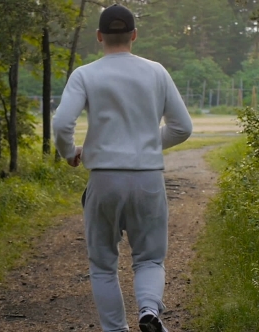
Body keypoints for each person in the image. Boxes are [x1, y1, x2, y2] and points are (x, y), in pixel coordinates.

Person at [52, 4, 192, 332]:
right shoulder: (157, 71)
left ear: (99, 36)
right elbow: (182, 127)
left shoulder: (85, 74)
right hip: (148, 179)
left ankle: (116, 330)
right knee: (150, 259)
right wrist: (142, 144)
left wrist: (71, 152)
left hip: (103, 179)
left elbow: (61, 124)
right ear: (134, 35)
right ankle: (148, 311)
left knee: (103, 265)